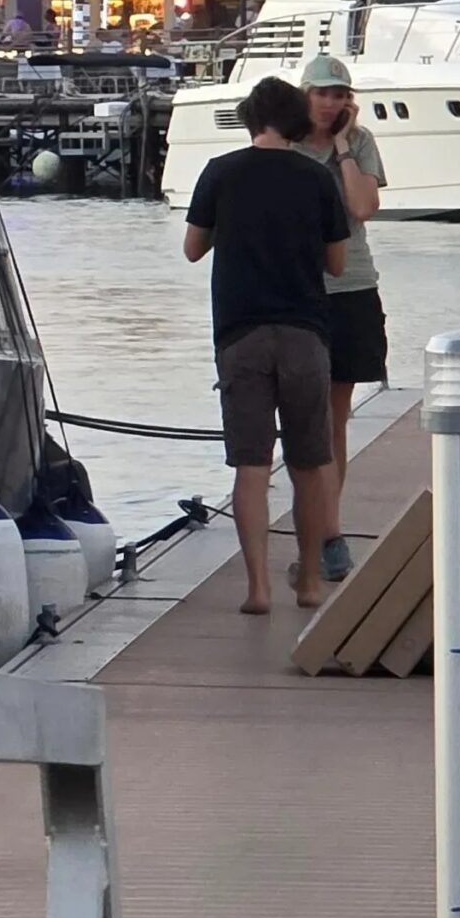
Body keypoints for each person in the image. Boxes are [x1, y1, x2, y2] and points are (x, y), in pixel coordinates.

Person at [183, 76, 348, 614]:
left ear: (251, 118)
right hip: (305, 333)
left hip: (241, 335)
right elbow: (337, 263)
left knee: (251, 467)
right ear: (296, 119)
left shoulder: (220, 171)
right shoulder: (317, 177)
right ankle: (309, 582)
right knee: (309, 464)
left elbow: (192, 249)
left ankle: (258, 589)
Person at [293, 53, 387, 584]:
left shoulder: (359, 141)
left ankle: (329, 531)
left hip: (350, 286)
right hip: (299, 289)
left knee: (335, 417)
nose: (330, 103)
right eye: (321, 93)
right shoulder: (286, 143)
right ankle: (314, 528)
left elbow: (363, 207)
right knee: (301, 416)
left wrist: (345, 147)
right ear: (304, 94)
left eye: (339, 94)